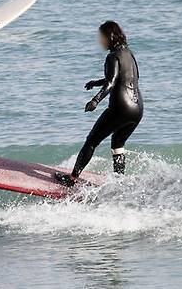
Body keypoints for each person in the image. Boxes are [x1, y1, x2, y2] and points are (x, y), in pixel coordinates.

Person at [55, 21, 143, 187]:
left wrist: (95, 100)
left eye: (101, 37)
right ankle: (119, 182)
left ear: (109, 37)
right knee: (118, 143)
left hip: (120, 109)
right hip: (137, 108)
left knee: (91, 141)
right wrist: (96, 82)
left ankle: (72, 179)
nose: (99, 41)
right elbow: (125, 78)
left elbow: (111, 83)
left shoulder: (112, 56)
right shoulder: (129, 54)